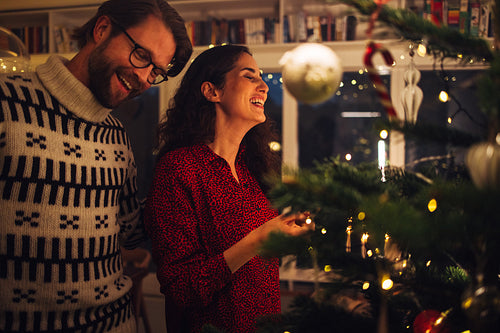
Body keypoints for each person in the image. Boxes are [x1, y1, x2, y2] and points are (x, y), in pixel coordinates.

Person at [0, 0, 192, 332]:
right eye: (142, 56)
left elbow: (132, 231)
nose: (146, 79)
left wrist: (193, 182)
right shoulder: (7, 102)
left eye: (156, 71)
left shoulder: (117, 135)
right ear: (102, 30)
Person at [144, 44, 314, 333]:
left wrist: (283, 233)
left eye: (261, 77)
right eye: (250, 76)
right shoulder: (179, 169)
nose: (264, 86)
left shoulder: (251, 170)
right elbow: (182, 289)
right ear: (212, 91)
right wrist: (258, 240)